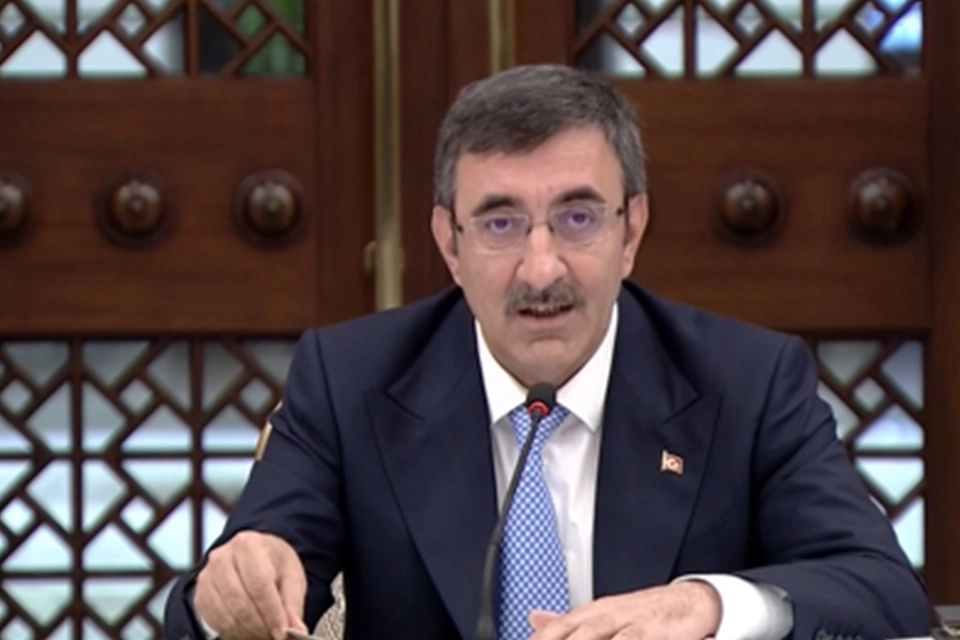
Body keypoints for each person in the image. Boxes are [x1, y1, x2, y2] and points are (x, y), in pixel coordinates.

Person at [164, 64, 929, 640]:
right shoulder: (350, 380)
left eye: (577, 218)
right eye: (500, 224)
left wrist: (707, 605)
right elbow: (220, 597)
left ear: (631, 231)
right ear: (449, 243)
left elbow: (882, 592)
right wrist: (225, 596)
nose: (541, 269)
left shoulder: (748, 382)